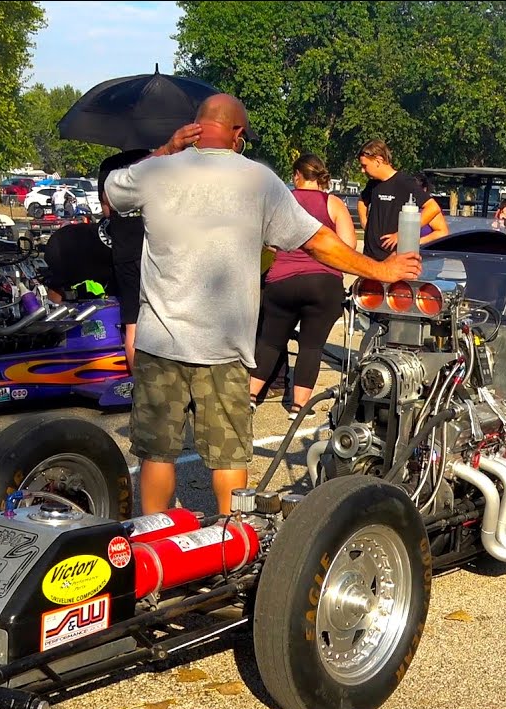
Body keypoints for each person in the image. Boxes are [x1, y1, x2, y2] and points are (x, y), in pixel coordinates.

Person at [103, 93, 421, 516]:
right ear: (237, 134)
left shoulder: (157, 171)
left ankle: (150, 537)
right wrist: (381, 271)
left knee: (157, 455)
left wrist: (165, 150)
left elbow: (112, 191)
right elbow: (319, 242)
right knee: (229, 457)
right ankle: (227, 540)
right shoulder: (258, 180)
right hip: (226, 346)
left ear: (195, 127)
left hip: (161, 342)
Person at [250, 153, 357, 420]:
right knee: (311, 346)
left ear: (297, 175)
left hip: (283, 280)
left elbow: (267, 241)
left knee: (270, 342)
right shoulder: (334, 204)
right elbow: (348, 245)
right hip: (323, 282)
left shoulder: (282, 201)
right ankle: (298, 407)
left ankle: (251, 396)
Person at [96, 148, 151, 371]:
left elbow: (106, 211)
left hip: (124, 251)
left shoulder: (109, 167)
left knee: (133, 323)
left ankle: (138, 383)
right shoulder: (151, 161)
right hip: (151, 247)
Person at [356, 140, 448, 260]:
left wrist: (403, 233)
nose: (362, 171)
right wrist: (364, 221)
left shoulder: (404, 182)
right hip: (369, 256)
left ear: (378, 161)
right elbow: (362, 201)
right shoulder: (373, 183)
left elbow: (433, 208)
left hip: (394, 258)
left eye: (365, 166)